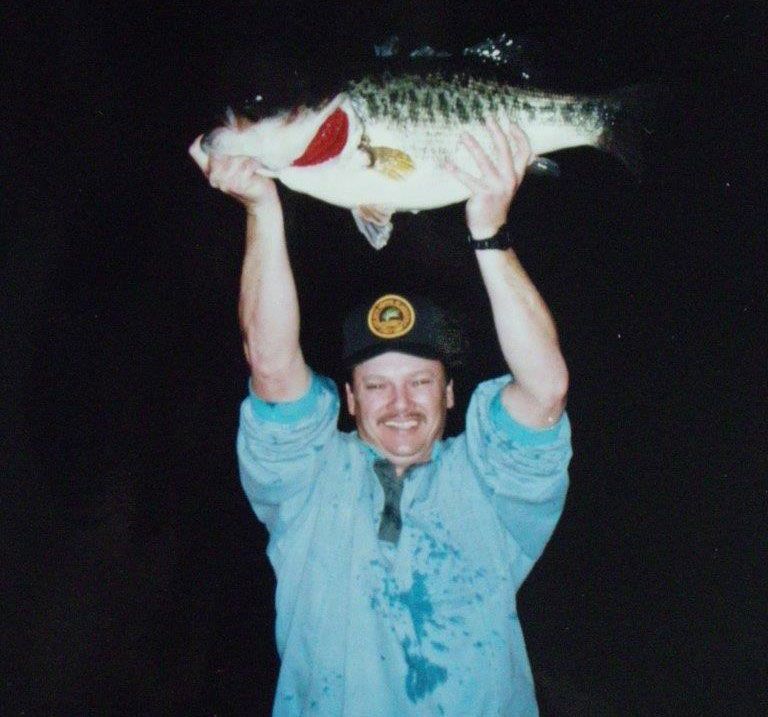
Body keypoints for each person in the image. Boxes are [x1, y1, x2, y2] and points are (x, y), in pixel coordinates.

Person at [189, 119, 572, 716]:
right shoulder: (307, 486)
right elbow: (269, 364)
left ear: (449, 395)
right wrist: (262, 210)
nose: (400, 404)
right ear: (348, 399)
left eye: (421, 382)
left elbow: (545, 390)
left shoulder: (490, 487)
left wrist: (489, 232)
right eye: (376, 385)